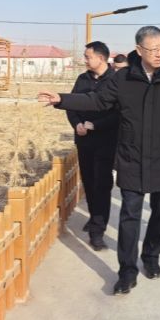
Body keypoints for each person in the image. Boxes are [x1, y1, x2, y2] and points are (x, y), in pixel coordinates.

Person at [38, 26, 160, 296]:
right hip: (131, 157)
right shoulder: (124, 78)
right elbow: (97, 100)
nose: (159, 54)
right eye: (153, 49)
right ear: (139, 50)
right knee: (129, 215)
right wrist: (62, 99)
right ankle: (127, 271)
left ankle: (151, 256)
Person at [65, 41, 118, 251]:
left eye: (88, 57)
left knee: (102, 184)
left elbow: (119, 113)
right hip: (84, 140)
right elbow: (71, 104)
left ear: (101, 58)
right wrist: (77, 123)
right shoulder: (82, 79)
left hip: (106, 141)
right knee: (88, 180)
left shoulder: (115, 80)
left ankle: (98, 230)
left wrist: (96, 125)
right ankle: (95, 215)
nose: (84, 60)